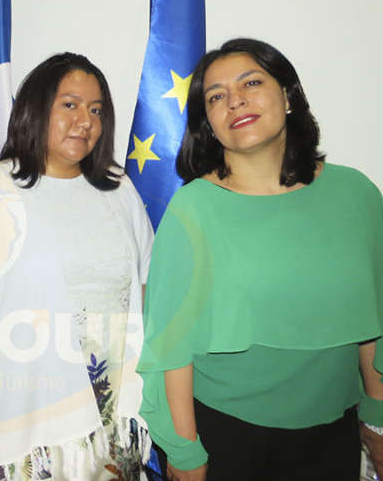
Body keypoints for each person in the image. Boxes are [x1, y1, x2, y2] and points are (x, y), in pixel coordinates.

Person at [136, 37, 383, 481]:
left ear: (287, 95)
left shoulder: (357, 194)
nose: (236, 101)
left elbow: (373, 320)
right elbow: (170, 347)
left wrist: (377, 414)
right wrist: (184, 451)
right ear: (208, 123)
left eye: (251, 82)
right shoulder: (194, 209)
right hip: (230, 438)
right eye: (216, 97)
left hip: (336, 433)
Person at [0, 52, 153, 481]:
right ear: (36, 109)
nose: (84, 120)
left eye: (96, 109)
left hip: (112, 408)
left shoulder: (119, 188)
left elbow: (144, 286)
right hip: (25, 412)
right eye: (69, 105)